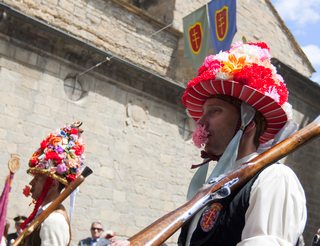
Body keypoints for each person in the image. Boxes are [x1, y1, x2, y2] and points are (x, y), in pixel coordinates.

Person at [111, 41, 307, 246]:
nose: (201, 122)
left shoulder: (274, 178)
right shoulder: (215, 185)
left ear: (248, 122)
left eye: (214, 111)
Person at [19, 122, 86, 246]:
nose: (31, 183)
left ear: (54, 184)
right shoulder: (44, 214)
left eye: (37, 179)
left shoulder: (54, 220)